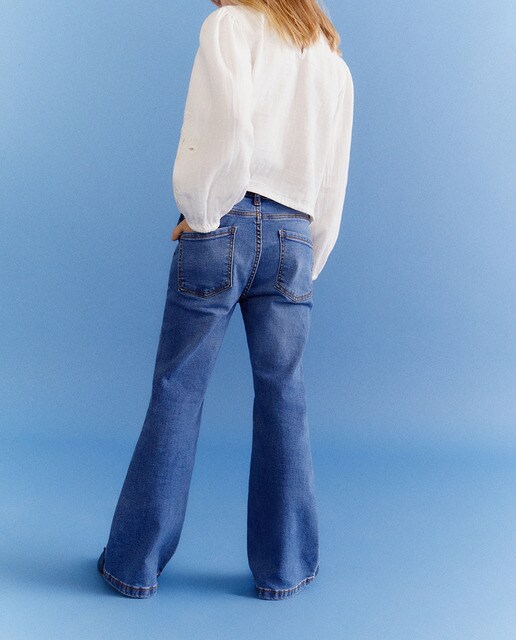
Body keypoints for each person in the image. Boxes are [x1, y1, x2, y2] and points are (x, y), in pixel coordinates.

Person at [97, 0, 354, 600]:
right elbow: (332, 177)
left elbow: (224, 127)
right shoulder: (331, 60)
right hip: (295, 236)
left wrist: (202, 210)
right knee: (284, 396)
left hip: (225, 224)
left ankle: (133, 566)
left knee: (178, 390)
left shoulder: (232, 26)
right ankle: (284, 569)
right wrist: (310, 253)